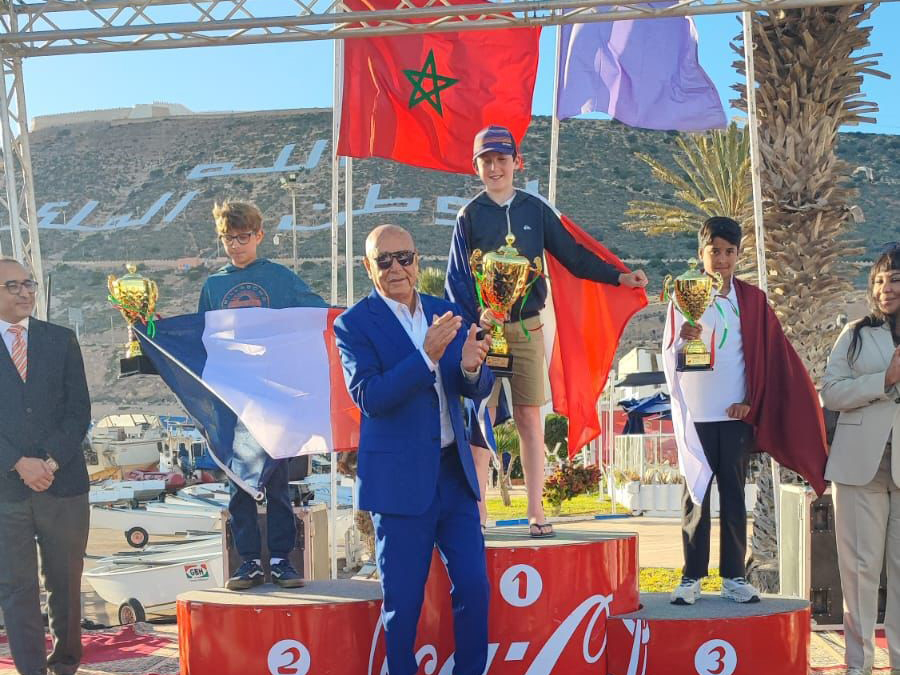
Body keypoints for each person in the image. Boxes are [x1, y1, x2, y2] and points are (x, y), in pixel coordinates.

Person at [446, 124, 648, 536]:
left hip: (527, 328)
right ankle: (479, 513)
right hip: (486, 335)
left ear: (516, 163)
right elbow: (457, 282)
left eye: (502, 160)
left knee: (529, 420)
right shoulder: (468, 216)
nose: (495, 168)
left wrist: (618, 278)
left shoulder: (534, 209)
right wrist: (476, 322)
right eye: (487, 161)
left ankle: (536, 510)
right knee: (481, 421)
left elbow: (573, 258)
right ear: (475, 167)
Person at [334, 224, 494, 675]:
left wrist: (468, 366)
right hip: (399, 485)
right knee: (402, 604)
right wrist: (425, 356)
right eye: (383, 261)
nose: (396, 268)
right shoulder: (353, 324)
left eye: (403, 257)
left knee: (474, 588)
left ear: (417, 259)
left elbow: (474, 384)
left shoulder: (446, 312)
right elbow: (370, 397)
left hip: (453, 474)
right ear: (368, 268)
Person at [663, 216, 828, 606]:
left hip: (734, 416)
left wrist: (751, 403)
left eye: (729, 252)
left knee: (735, 496)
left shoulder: (752, 300)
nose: (721, 259)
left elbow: (767, 358)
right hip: (697, 418)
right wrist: (683, 342)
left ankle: (735, 576)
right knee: (696, 496)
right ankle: (691, 577)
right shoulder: (683, 295)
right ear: (700, 254)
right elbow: (671, 357)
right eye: (714, 251)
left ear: (739, 255)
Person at [198, 200, 327, 590]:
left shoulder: (279, 278)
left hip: (273, 399)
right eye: (227, 238)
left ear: (259, 236)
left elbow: (317, 313)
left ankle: (282, 560)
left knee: (277, 484)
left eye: (242, 237)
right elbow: (201, 337)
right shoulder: (214, 285)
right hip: (232, 400)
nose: (235, 245)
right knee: (238, 483)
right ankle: (249, 561)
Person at [0, 257, 91, 675]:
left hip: (64, 484)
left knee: (66, 583)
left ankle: (66, 664)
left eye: (29, 284)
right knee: (17, 588)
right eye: (12, 286)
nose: (25, 293)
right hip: (7, 491)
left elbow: (79, 412)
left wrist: (49, 462)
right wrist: (19, 463)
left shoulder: (61, 340)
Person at [821, 245, 900, 675]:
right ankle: (859, 666)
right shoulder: (854, 334)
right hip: (858, 469)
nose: (886, 288)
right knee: (859, 573)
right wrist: (883, 380)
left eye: (895, 279)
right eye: (879, 280)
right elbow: (831, 392)